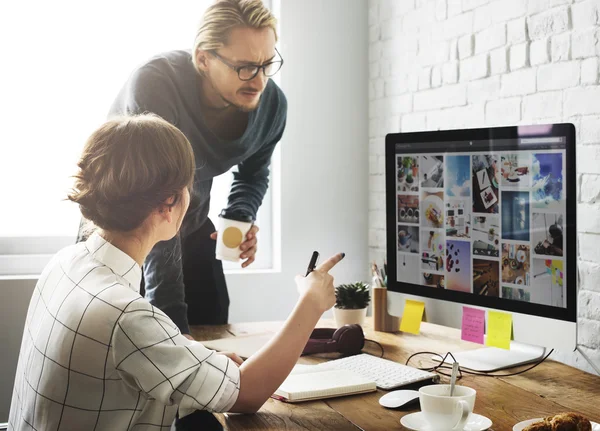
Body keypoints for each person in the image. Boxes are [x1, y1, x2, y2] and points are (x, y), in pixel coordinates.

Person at [9, 115, 344, 430]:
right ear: (168, 203)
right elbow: (248, 393)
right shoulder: (126, 316)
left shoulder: (64, 263)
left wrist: (191, 355)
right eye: (189, 185)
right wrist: (311, 302)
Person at [77, 0, 287, 336]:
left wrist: (240, 216)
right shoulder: (156, 84)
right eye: (245, 67)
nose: (259, 82)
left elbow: (253, 173)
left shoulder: (272, 106)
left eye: (267, 64)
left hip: (187, 217)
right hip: (123, 226)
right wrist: (175, 329)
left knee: (214, 323)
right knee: (126, 336)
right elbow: (156, 200)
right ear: (204, 58)